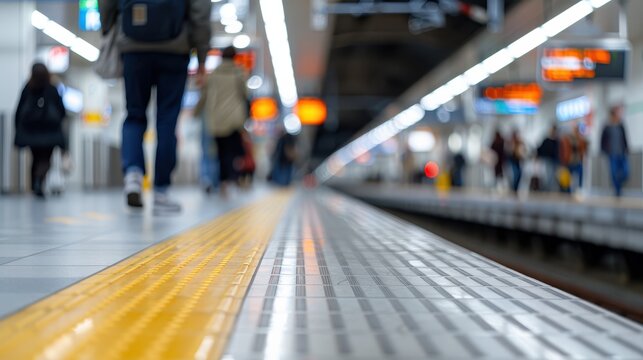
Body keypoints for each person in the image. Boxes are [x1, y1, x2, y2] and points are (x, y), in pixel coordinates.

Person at [99, 0, 212, 212]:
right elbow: (200, 12)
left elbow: (106, 3)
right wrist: (202, 55)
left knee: (134, 114)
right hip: (175, 48)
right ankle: (161, 190)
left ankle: (133, 173)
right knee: (167, 120)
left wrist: (107, 26)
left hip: (134, 44)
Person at [197, 46, 248, 197]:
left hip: (217, 119)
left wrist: (195, 112)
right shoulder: (239, 73)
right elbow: (245, 94)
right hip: (234, 119)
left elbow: (204, 96)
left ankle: (222, 182)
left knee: (220, 152)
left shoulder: (213, 75)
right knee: (234, 152)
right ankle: (234, 178)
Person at [14, 63, 66, 198]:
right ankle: (39, 180)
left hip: (32, 132)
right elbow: (62, 110)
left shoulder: (28, 88)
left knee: (35, 158)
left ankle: (35, 185)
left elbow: (19, 110)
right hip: (50, 131)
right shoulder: (52, 89)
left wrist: (17, 129)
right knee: (45, 159)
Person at [601, 106, 629, 197]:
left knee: (625, 171)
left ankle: (619, 184)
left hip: (622, 152)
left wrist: (627, 148)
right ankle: (617, 190)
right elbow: (602, 140)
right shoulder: (606, 127)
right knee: (613, 172)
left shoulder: (621, 125)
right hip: (612, 153)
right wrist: (604, 150)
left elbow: (625, 138)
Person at [560, 126, 588, 193]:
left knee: (580, 174)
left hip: (578, 161)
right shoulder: (567, 139)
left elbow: (584, 149)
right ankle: (567, 191)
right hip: (569, 161)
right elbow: (563, 150)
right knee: (568, 178)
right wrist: (563, 160)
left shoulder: (580, 140)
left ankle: (579, 189)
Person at [537, 125, 560, 191]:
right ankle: (546, 189)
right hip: (547, 160)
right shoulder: (546, 140)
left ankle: (549, 189)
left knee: (553, 176)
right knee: (548, 175)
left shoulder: (557, 141)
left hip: (555, 160)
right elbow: (540, 149)